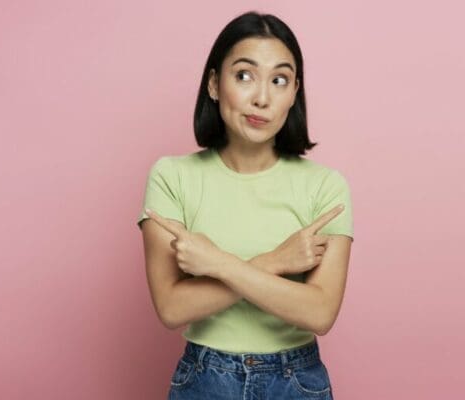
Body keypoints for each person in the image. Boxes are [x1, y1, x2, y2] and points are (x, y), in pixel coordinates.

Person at [137, 10, 353, 399]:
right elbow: (171, 307)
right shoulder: (172, 177)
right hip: (205, 380)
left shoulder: (325, 186)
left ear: (294, 92)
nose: (262, 97)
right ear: (215, 84)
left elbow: (319, 313)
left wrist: (216, 264)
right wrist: (276, 261)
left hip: (296, 383)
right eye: (244, 75)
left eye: (279, 80)